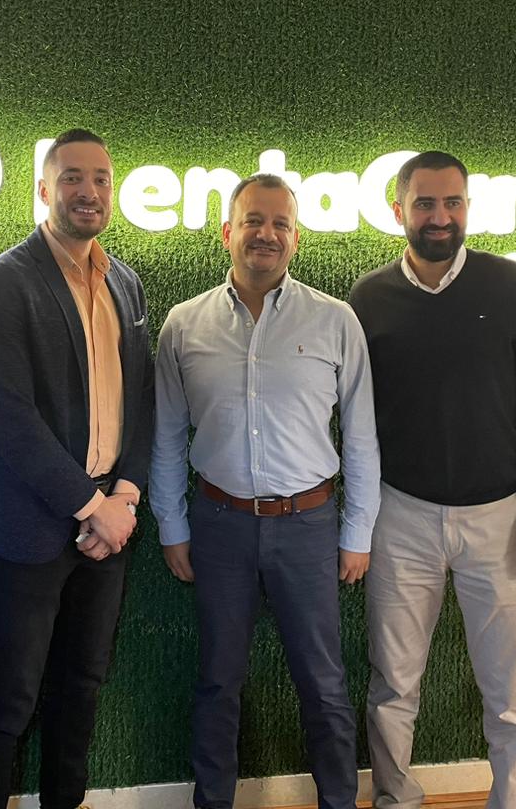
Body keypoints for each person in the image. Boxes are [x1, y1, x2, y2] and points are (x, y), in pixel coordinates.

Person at [150, 173, 380, 809]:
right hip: (218, 524)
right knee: (217, 683)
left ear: (296, 238)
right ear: (228, 231)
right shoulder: (183, 325)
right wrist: (172, 526)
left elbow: (361, 436)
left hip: (310, 527)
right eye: (254, 220)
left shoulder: (336, 321)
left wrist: (358, 532)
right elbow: (165, 436)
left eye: (280, 223)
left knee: (324, 686)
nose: (266, 234)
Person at [348, 150, 516, 809]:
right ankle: (395, 799)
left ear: (468, 208)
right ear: (398, 210)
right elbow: (353, 418)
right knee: (393, 685)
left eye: (452, 202)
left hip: (501, 517)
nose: (439, 216)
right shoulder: (368, 298)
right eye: (425, 203)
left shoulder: (510, 285)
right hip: (401, 516)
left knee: (510, 693)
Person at [0, 128, 154, 809]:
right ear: (44, 190)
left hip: (110, 525)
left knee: (81, 689)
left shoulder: (125, 283)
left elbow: (142, 400)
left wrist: (124, 498)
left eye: (100, 179)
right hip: (30, 529)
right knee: (9, 700)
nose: (88, 191)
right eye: (72, 177)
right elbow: (11, 420)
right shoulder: (1, 284)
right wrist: (92, 508)